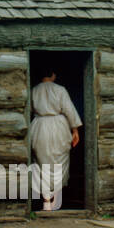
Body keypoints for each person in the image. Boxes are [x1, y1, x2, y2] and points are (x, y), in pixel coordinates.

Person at [28, 70, 81, 210]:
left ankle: (46, 202)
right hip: (59, 127)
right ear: (53, 75)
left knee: (41, 163)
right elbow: (69, 109)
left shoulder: (34, 90)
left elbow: (29, 109)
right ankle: (55, 202)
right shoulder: (60, 90)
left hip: (39, 126)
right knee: (59, 163)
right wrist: (75, 130)